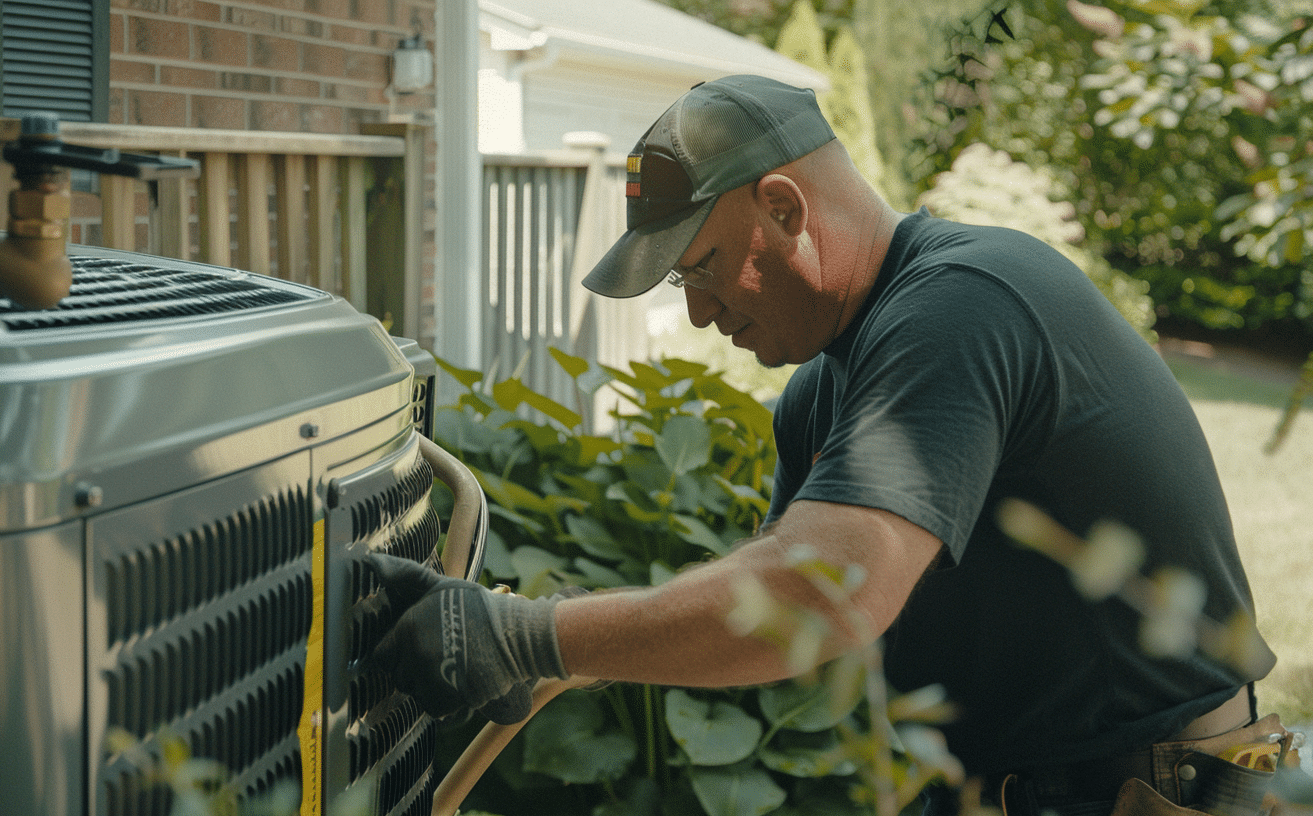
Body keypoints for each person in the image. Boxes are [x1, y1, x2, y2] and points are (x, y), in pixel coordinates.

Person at [366, 75, 1296, 815]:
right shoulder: (822, 392)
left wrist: (532, 636)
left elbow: (817, 597)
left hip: (1145, 791)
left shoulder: (965, 306)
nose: (694, 313)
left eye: (701, 269)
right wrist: (538, 649)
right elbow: (782, 603)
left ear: (784, 206)